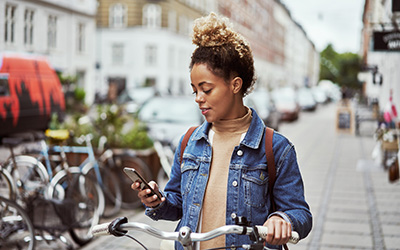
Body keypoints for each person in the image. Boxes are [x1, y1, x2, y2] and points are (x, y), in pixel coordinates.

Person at [132, 12, 312, 250]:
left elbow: (300, 213)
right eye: (195, 89)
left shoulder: (275, 147)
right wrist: (157, 202)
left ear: (235, 85)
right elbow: (178, 206)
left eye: (206, 89)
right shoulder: (189, 141)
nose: (198, 98)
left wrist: (282, 219)